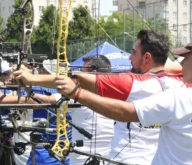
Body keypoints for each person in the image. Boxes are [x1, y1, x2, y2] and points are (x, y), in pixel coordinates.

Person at [14, 30, 186, 164]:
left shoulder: (133, 83)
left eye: (134, 52)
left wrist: (31, 78)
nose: (129, 57)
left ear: (147, 57)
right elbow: (173, 68)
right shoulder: (180, 84)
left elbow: (77, 79)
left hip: (126, 160)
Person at [53, 42, 192, 165]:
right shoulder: (178, 86)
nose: (181, 63)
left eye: (186, 57)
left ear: (147, 57)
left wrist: (77, 93)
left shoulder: (180, 96)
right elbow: (164, 65)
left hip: (128, 159)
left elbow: (126, 112)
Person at [69, 55, 114, 165]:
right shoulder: (120, 95)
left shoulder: (79, 95)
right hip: (110, 159)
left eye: (82, 71)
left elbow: (49, 100)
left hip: (87, 160)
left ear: (93, 73)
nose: (79, 74)